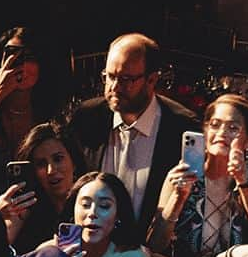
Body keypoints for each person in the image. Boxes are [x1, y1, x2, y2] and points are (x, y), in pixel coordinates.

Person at [67, 33, 197, 242]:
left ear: (152, 79)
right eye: (109, 76)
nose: (114, 87)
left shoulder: (180, 127)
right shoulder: (87, 117)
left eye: (126, 79)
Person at [148, 94, 248, 257]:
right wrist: (178, 197)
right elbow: (155, 245)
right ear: (205, 130)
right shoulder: (180, 176)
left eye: (233, 128)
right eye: (215, 124)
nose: (222, 133)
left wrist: (243, 179)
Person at [0, 27, 59, 194]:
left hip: (31, 207)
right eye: (12, 55)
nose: (21, 65)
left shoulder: (46, 110)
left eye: (29, 57)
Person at [0, 122, 85, 254]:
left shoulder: (91, 205)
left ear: (74, 162)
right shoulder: (26, 215)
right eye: (41, 164)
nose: (51, 170)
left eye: (58, 159)